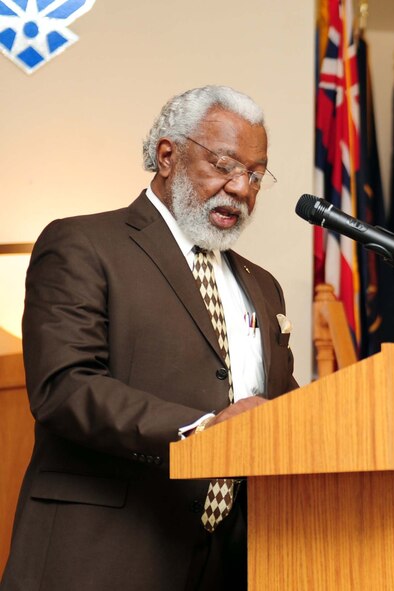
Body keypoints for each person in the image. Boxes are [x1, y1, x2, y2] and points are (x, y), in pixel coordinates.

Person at [1, 86, 299, 591]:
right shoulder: (82, 244)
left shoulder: (263, 286)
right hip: (106, 553)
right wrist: (203, 431)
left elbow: (279, 409)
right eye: (224, 165)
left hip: (234, 562)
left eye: (253, 175)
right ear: (167, 156)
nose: (241, 189)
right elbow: (65, 387)